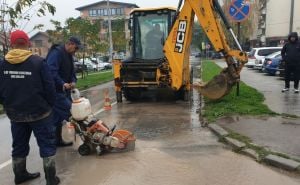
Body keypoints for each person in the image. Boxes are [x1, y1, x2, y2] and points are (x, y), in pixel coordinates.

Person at [0, 30, 60, 185]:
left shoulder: (2, 64)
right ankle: (51, 179)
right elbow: (50, 88)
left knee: (18, 145)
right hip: (40, 113)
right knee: (47, 145)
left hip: (15, 114)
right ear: (27, 43)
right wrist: (50, 106)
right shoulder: (38, 62)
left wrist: (7, 105)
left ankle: (20, 175)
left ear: (12, 44)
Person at [46, 36, 81, 147]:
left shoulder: (69, 56)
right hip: (55, 92)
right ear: (70, 44)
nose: (76, 51)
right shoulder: (56, 53)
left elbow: (72, 72)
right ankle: (86, 137)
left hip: (64, 91)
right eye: (75, 48)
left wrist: (73, 81)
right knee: (72, 111)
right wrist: (62, 83)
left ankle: (56, 141)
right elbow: (51, 72)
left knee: (57, 118)